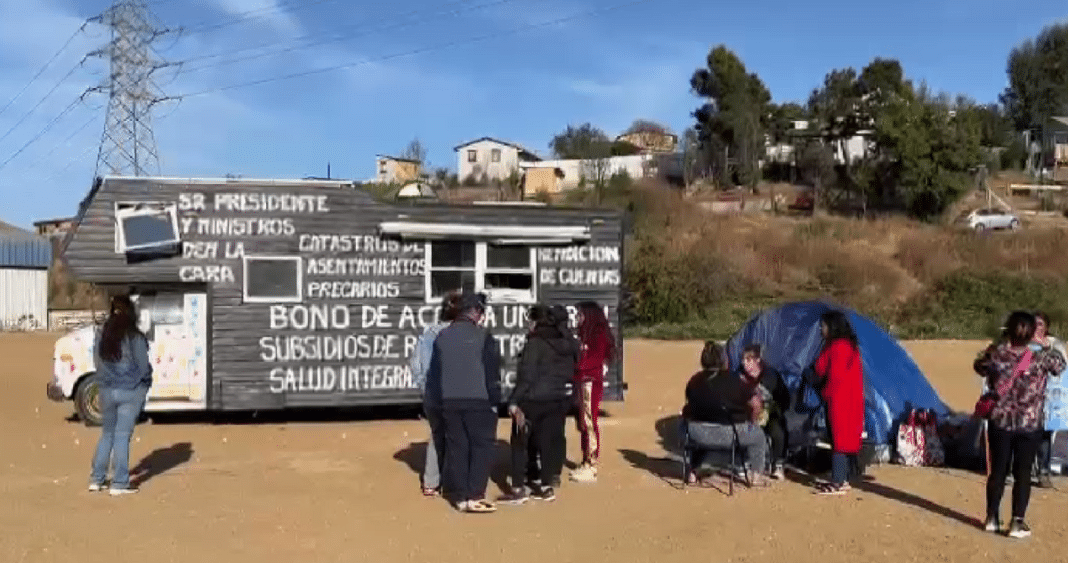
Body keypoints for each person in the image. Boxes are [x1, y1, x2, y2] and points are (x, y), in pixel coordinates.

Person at [975, 311, 1066, 538]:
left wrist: (997, 346)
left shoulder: (996, 355)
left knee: (997, 471)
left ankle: (992, 518)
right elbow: (1060, 366)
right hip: (1029, 424)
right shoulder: (1041, 358)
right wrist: (1043, 345)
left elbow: (979, 366)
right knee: (1023, 473)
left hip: (1000, 421)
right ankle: (1017, 523)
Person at [427, 293, 502, 514]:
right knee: (481, 448)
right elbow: (492, 374)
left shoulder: (441, 337)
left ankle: (459, 497)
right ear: (475, 312)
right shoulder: (485, 337)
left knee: (457, 448)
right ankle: (475, 495)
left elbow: (435, 374)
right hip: (479, 401)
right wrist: (495, 401)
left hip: (449, 402)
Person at [498, 305, 579, 505]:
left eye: (529, 321)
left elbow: (527, 376)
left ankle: (518, 489)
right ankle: (545, 487)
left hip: (533, 399)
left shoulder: (535, 343)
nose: (528, 325)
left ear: (535, 321)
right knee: (546, 442)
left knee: (519, 442)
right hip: (557, 398)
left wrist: (514, 401)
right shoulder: (565, 342)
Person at [89, 294, 153, 496]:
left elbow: (97, 362)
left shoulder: (102, 333)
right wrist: (144, 383)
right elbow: (143, 368)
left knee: (107, 434)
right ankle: (119, 483)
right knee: (122, 436)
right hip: (130, 390)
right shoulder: (135, 336)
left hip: (107, 389)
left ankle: (96, 479)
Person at [683, 341, 771, 487]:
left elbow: (689, 404)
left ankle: (693, 472)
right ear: (724, 360)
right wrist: (752, 421)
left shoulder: (694, 380)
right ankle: (755, 476)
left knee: (689, 423)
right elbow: (756, 404)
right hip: (731, 435)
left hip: (697, 434)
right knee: (758, 436)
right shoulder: (735, 380)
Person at [408, 290, 461, 497]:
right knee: (457, 436)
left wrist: (425, 388)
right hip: (456, 393)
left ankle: (431, 482)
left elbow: (416, 365)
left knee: (437, 434)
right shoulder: (464, 334)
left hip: (432, 393)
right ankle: (451, 482)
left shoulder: (429, 332)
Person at [811, 311, 864, 496]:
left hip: (840, 400)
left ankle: (838, 482)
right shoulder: (849, 346)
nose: (821, 329)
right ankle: (844, 477)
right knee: (846, 438)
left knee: (839, 440)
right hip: (852, 399)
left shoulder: (837, 347)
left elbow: (834, 376)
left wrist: (824, 393)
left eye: (823, 326)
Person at [570, 301, 615, 484]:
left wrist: (576, 367)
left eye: (580, 315)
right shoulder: (583, 334)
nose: (577, 318)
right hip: (582, 382)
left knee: (589, 422)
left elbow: (595, 359)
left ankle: (591, 464)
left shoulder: (598, 334)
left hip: (590, 382)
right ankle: (585, 459)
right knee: (583, 422)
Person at [740, 344, 791, 479]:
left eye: (749, 360)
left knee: (777, 429)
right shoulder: (739, 376)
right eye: (744, 360)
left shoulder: (770, 376)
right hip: (746, 414)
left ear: (758, 360)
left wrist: (770, 410)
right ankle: (745, 461)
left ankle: (778, 464)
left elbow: (784, 399)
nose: (744, 363)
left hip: (770, 413)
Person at [1030, 311, 1066, 489]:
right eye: (1034, 324)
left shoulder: (1055, 345)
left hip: (1049, 398)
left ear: (1047, 328)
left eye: (1041, 325)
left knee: (1045, 435)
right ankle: (1021, 470)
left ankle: (1043, 471)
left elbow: (1062, 368)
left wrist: (1047, 350)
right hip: (1026, 399)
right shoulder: (1022, 344)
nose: (1037, 328)